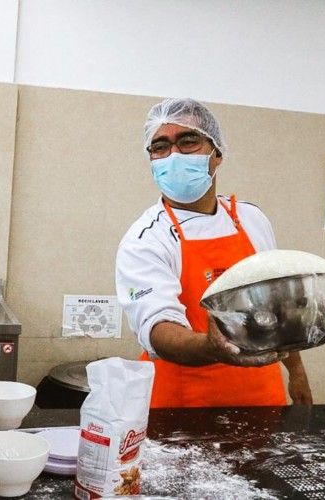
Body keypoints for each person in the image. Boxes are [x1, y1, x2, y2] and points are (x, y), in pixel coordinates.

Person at [115, 97, 312, 408]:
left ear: (217, 152)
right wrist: (212, 346)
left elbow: (276, 305)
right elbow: (157, 327)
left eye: (188, 141)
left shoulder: (251, 220)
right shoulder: (145, 239)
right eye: (160, 147)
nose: (174, 155)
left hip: (263, 399)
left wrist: (297, 370)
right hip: (182, 411)